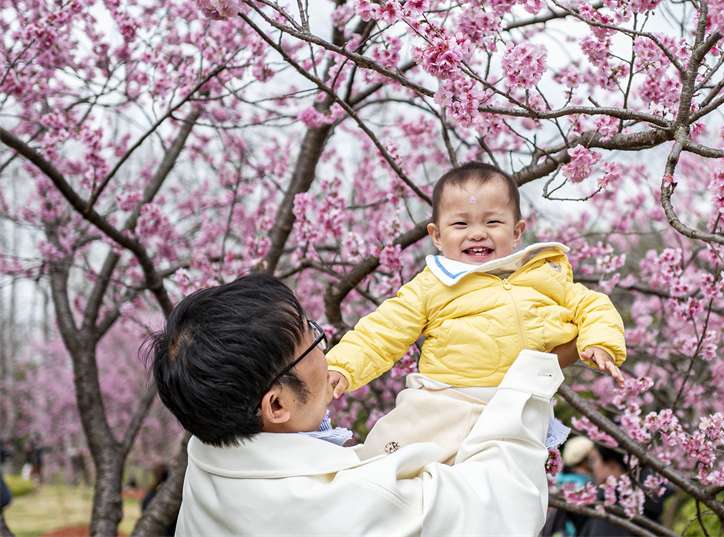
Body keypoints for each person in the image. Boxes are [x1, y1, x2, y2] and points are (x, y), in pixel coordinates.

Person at [148, 273, 563, 535]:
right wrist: (531, 374)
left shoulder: (206, 454)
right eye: (311, 340)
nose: (325, 350)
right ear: (275, 405)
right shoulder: (356, 501)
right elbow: (504, 506)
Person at [327, 161, 627, 462]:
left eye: (492, 223)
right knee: (386, 460)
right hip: (443, 400)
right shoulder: (433, 285)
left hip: (514, 408)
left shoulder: (545, 275)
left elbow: (593, 304)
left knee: (484, 484)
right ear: (437, 236)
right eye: (460, 224)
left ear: (516, 232)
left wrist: (599, 343)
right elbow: (384, 330)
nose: (477, 233)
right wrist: (343, 366)